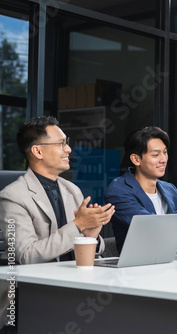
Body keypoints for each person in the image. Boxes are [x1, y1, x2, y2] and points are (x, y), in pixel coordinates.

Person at [0, 116, 115, 328]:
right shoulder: (13, 196)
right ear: (38, 151)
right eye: (61, 143)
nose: (69, 149)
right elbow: (27, 256)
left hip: (74, 286)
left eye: (66, 142)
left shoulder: (72, 190)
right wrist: (79, 225)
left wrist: (91, 236)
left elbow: (85, 248)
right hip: (34, 294)